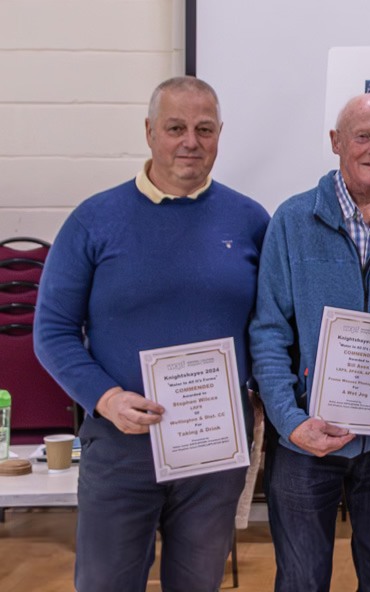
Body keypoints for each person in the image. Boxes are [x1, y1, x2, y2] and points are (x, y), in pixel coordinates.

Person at [33, 75, 270, 591]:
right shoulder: (94, 221)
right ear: (148, 132)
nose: (191, 141)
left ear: (220, 133)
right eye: (176, 127)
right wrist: (107, 398)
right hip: (122, 445)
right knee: (106, 583)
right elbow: (51, 331)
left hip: (213, 450)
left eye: (204, 129)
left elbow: (271, 328)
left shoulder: (251, 221)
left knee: (197, 583)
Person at [249, 93, 370, 592]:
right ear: (336, 142)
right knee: (303, 580)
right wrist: (291, 423)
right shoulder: (291, 222)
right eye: (362, 136)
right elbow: (268, 332)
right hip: (306, 443)